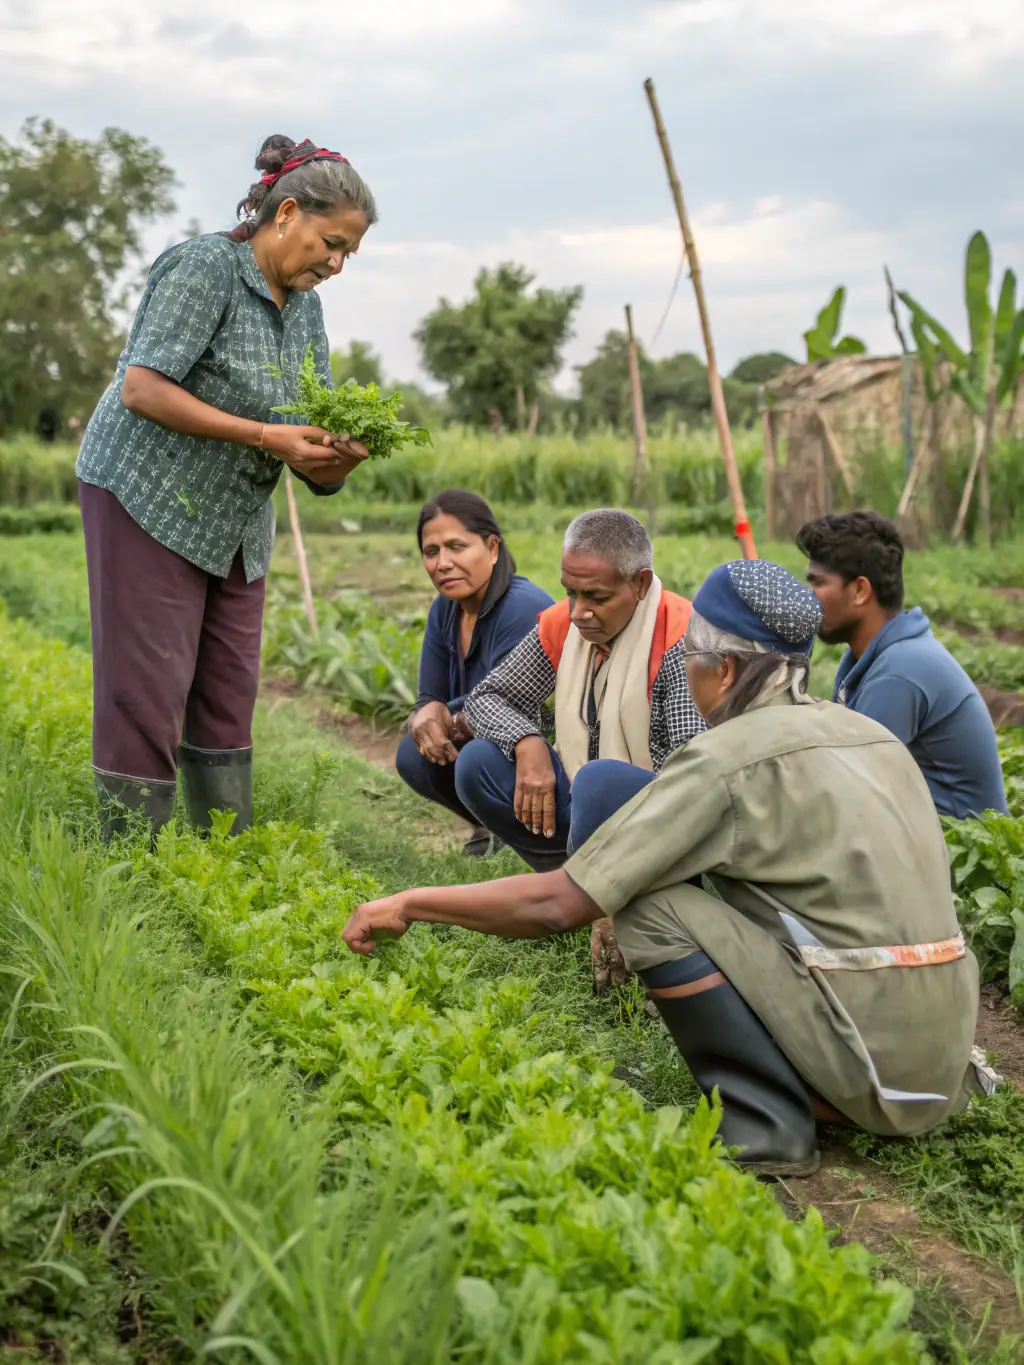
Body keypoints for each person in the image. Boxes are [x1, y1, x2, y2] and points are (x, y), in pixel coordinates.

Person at [342, 560, 991, 1179]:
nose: (685, 677)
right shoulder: (869, 735)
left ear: (725, 668)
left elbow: (559, 905)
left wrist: (412, 902)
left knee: (647, 906)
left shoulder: (726, 759)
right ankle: (818, 1081)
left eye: (690, 664)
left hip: (875, 1073)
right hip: (939, 1063)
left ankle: (768, 1122)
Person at [76, 136, 378, 839]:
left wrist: (334, 458)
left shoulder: (304, 307)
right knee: (147, 685)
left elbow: (304, 426)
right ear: (288, 212)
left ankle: (224, 852)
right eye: (330, 244)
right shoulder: (204, 268)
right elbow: (142, 388)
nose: (335, 265)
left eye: (347, 256)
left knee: (228, 684)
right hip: (145, 494)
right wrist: (268, 436)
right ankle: (130, 859)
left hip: (237, 520)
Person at [454, 509, 705, 871]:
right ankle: (568, 876)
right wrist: (527, 742)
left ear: (640, 584)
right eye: (571, 593)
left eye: (596, 598)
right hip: (583, 798)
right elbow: (486, 699)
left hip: (655, 820)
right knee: (477, 763)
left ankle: (620, 881)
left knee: (598, 781)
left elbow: (690, 778)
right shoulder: (563, 624)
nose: (578, 612)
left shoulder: (681, 640)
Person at [797, 510, 1008, 819]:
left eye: (817, 583)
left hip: (960, 855)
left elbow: (850, 793)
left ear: (859, 591)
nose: (808, 596)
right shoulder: (871, 656)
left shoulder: (900, 672)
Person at [397, 490, 553, 856]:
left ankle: (530, 837)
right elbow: (429, 697)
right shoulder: (445, 609)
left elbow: (508, 705)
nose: (443, 563)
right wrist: (426, 712)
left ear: (493, 548)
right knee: (413, 752)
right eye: (431, 551)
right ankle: (492, 826)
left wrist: (438, 713)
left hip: (537, 743)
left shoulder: (521, 608)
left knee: (473, 756)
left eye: (457, 546)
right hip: (476, 733)